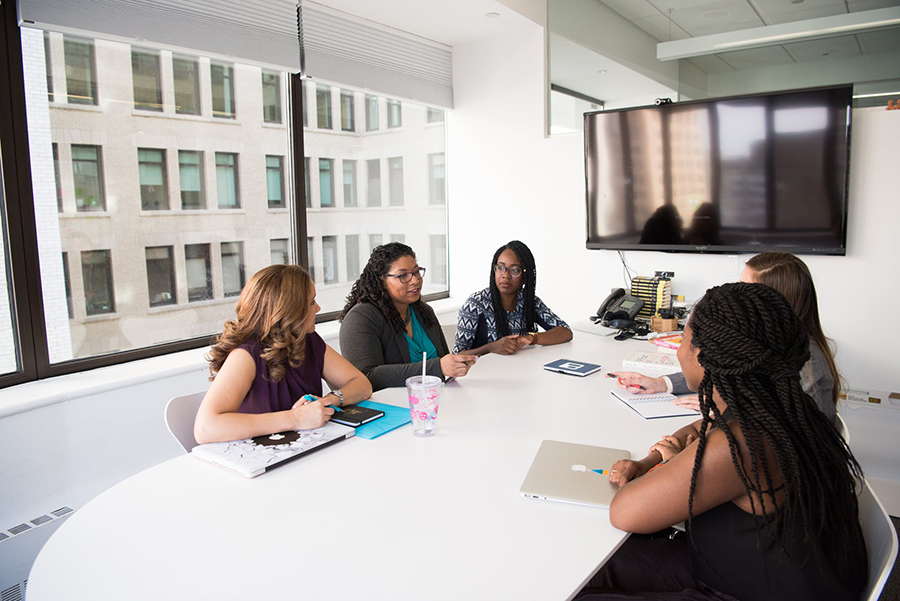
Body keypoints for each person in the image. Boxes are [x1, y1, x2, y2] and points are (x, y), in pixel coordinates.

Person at [578, 282, 867, 601]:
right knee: (587, 567)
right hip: (764, 572)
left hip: (745, 590)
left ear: (701, 356)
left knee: (585, 586)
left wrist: (671, 464)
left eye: (683, 340)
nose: (680, 350)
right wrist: (660, 456)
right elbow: (704, 426)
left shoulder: (741, 445)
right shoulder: (782, 407)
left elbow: (625, 511)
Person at [611, 252, 840, 424]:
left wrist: (725, 412)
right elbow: (724, 369)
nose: (733, 297)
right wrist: (662, 383)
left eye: (744, 290)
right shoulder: (763, 344)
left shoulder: (808, 362)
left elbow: (798, 432)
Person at [194, 264, 372, 444]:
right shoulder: (245, 355)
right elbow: (205, 428)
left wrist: (330, 401)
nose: (317, 308)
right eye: (311, 302)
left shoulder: (308, 340)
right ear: (289, 311)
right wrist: (295, 419)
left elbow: (362, 385)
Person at [339, 242, 476, 391]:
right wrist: (437, 368)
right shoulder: (361, 318)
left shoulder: (423, 311)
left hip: (432, 401)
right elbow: (366, 377)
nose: (415, 280)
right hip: (390, 408)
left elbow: (443, 361)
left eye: (416, 272)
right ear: (381, 281)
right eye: (403, 275)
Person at [454, 240, 572, 356]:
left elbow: (565, 332)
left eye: (515, 270)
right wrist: (490, 348)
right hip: (483, 373)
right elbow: (457, 356)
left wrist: (531, 338)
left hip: (519, 369)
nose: (505, 275)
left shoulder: (528, 301)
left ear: (525, 275)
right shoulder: (476, 304)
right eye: (500, 267)